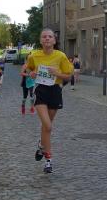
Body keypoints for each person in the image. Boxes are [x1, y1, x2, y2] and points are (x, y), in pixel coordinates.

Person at [26, 29, 73, 173]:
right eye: (44, 37)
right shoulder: (34, 56)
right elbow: (28, 69)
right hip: (41, 90)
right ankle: (48, 160)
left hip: (55, 91)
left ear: (54, 40)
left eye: (50, 36)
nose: (47, 38)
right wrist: (31, 73)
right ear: (40, 40)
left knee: (47, 126)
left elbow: (68, 76)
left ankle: (41, 145)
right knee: (48, 125)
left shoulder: (60, 56)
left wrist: (57, 73)